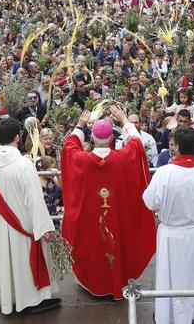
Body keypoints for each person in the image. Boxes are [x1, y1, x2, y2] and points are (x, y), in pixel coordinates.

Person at [60, 106, 156, 300]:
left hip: (91, 218)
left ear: (92, 139)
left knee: (94, 244)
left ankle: (94, 281)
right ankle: (119, 279)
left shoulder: (81, 160)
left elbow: (69, 148)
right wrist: (125, 121)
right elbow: (137, 143)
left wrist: (79, 126)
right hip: (118, 217)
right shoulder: (123, 158)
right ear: (113, 139)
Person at [142, 126, 194, 324]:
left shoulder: (164, 173)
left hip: (173, 236)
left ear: (176, 147)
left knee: (172, 278)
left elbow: (149, 201)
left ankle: (170, 315)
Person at [0, 117, 60, 314]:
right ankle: (33, 300)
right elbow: (35, 200)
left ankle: (11, 299)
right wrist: (44, 228)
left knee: (7, 262)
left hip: (1, 224)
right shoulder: (24, 165)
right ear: (17, 137)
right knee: (24, 262)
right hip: (24, 225)